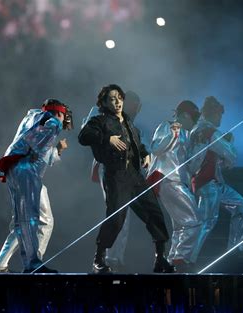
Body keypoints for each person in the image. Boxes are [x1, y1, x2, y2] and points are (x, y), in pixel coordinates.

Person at [79, 84, 173, 274]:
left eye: (119, 98)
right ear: (104, 102)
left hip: (135, 176)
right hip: (116, 174)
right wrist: (107, 139)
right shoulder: (100, 121)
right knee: (116, 217)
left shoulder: (128, 122)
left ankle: (160, 258)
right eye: (112, 99)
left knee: (154, 212)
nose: (117, 102)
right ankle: (99, 259)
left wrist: (145, 153)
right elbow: (83, 136)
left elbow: (137, 142)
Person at [0, 98, 72, 273]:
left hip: (22, 169)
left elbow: (37, 148)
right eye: (63, 116)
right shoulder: (51, 121)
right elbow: (33, 142)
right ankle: (33, 264)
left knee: (41, 220)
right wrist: (36, 148)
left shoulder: (34, 117)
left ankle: (2, 263)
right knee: (28, 218)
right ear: (60, 113)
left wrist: (56, 150)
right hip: (25, 170)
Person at [81, 90, 142, 271]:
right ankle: (106, 258)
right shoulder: (101, 114)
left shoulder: (128, 122)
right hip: (109, 166)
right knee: (118, 210)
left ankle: (113, 258)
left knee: (123, 213)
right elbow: (87, 132)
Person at [188, 96, 243, 262]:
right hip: (207, 183)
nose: (221, 118)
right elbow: (230, 157)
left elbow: (217, 160)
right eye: (219, 114)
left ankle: (234, 250)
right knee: (206, 222)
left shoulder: (197, 130)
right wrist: (229, 142)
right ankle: (187, 260)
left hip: (212, 182)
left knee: (242, 207)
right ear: (213, 113)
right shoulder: (210, 132)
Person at [146, 100, 202, 272]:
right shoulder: (167, 126)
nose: (194, 124)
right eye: (193, 119)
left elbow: (189, 165)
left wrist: (200, 146)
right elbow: (155, 148)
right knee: (194, 221)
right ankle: (180, 258)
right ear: (185, 115)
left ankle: (172, 262)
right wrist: (173, 135)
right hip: (168, 179)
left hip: (177, 180)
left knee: (181, 224)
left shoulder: (186, 134)